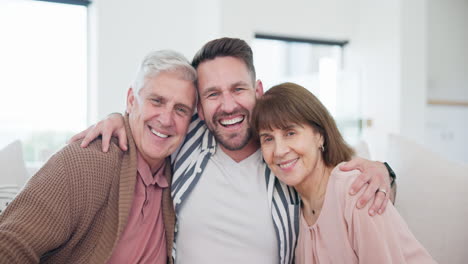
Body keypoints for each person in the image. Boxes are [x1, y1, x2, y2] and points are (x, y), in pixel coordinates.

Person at [72, 37, 396, 264]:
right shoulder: (185, 140)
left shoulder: (285, 156)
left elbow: (335, 171)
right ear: (198, 106)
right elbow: (153, 119)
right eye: (213, 94)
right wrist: (118, 118)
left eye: (238, 89)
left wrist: (385, 172)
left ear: (258, 91)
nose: (228, 106)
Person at [0, 50, 198, 263]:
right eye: (157, 101)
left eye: (181, 110)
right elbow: (9, 246)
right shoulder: (84, 162)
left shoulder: (181, 170)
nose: (167, 119)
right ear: (131, 100)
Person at [251, 82, 435, 263]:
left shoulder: (355, 190)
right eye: (268, 139)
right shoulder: (292, 211)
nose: (279, 150)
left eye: (290, 133)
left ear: (319, 135)